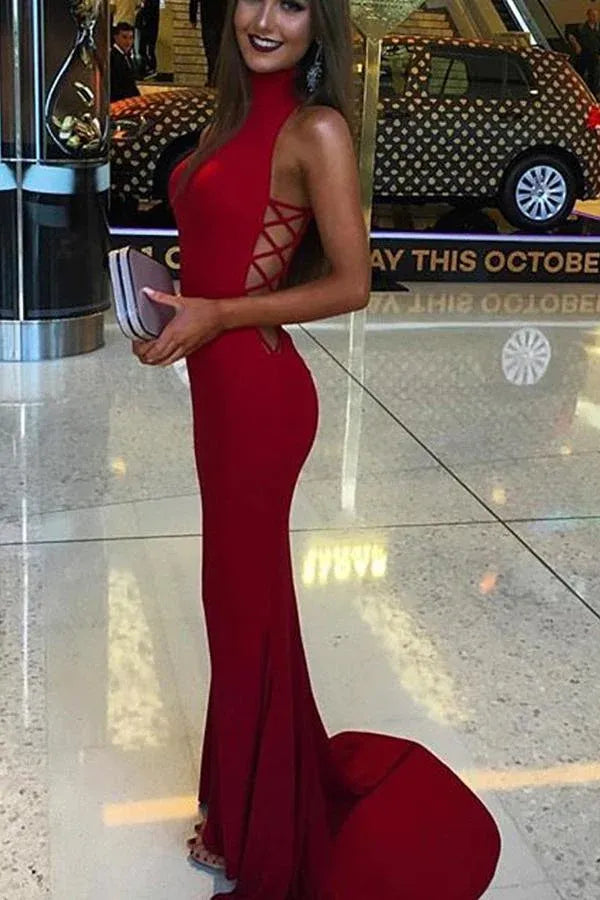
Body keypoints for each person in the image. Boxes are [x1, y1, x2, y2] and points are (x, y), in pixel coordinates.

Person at [133, 1, 502, 897]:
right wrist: (172, 305)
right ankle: (244, 801)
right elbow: (218, 245)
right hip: (218, 392)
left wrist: (219, 312)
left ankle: (258, 831)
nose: (266, 19)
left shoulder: (318, 130)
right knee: (237, 608)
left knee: (244, 610)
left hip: (259, 399)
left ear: (317, 23)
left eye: (293, 3)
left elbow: (352, 283)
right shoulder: (225, 120)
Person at [189, 0, 227, 87]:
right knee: (219, 50)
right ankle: (217, 78)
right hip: (222, 17)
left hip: (209, 18)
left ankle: (213, 78)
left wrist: (192, 16)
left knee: (211, 51)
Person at [568, 7, 600, 95]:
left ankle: (592, 94)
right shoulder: (581, 27)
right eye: (592, 15)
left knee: (593, 76)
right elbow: (570, 36)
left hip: (594, 54)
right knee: (579, 73)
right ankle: (578, 92)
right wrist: (576, 45)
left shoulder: (598, 28)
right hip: (583, 54)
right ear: (588, 16)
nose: (594, 17)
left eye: (596, 15)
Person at [110, 21, 140, 102]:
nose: (128, 42)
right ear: (116, 37)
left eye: (131, 38)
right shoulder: (112, 58)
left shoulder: (127, 57)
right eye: (124, 37)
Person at [138, 0, 160, 78]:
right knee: (147, 50)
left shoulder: (151, 3)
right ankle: (148, 68)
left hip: (149, 28)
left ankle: (150, 68)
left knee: (145, 49)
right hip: (150, 28)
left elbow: (148, 13)